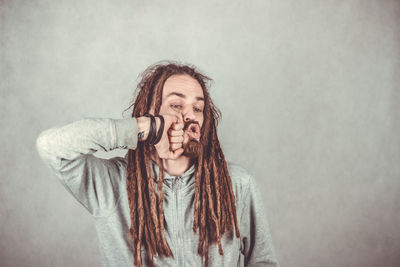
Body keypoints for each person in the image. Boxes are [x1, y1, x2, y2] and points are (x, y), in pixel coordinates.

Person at [36, 61, 280, 267]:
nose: (190, 115)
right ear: (152, 113)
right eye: (176, 105)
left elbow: (262, 261)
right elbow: (51, 146)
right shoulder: (111, 183)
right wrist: (143, 128)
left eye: (198, 107)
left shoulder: (237, 184)